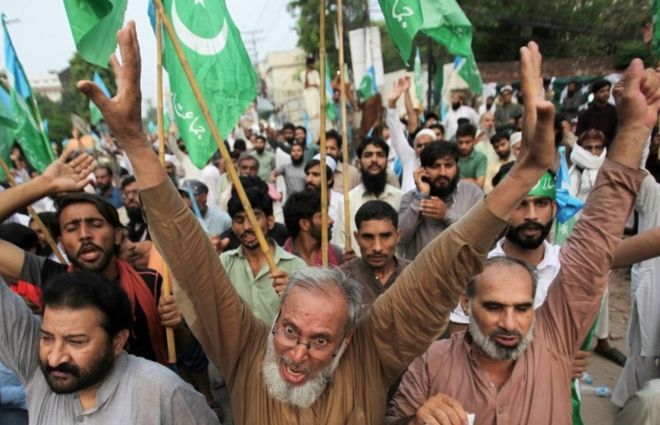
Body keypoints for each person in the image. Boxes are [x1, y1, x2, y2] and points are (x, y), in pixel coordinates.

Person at [79, 23, 558, 424]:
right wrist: (136, 144)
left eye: (320, 340)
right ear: (276, 321)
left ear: (346, 339)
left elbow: (443, 268)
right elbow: (192, 258)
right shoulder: (247, 348)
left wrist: (525, 174)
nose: (297, 354)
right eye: (289, 331)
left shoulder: (370, 354)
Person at [385, 56, 659, 425]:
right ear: (466, 302)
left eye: (523, 308)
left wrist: (631, 133)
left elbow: (595, 244)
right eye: (495, 308)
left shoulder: (553, 341)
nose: (510, 324)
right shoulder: (431, 365)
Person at [0, 153, 172, 364]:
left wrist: (176, 323)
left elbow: (175, 349)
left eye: (95, 224)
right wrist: (45, 184)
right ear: (61, 242)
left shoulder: (150, 282)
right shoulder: (53, 279)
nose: (84, 234)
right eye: (72, 228)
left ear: (117, 234)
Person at [0, 270, 218, 424]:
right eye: (47, 338)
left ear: (117, 341)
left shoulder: (163, 393)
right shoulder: (38, 371)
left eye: (76, 342)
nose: (54, 358)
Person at [220, 177, 306, 323]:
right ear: (233, 227)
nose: (247, 226)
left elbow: (308, 316)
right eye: (239, 220)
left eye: (254, 218)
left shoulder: (296, 267)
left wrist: (294, 295)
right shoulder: (224, 262)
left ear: (270, 221)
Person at [398, 141, 483, 260]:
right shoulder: (411, 198)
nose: (442, 173)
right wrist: (421, 197)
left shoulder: (473, 194)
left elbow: (481, 235)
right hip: (420, 275)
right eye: (435, 166)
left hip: (463, 276)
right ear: (422, 170)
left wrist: (446, 215)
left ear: (457, 166)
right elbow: (400, 237)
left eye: (448, 166)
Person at [333, 138, 403, 252]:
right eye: (368, 155)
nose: (374, 160)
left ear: (386, 160)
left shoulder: (401, 198)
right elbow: (339, 244)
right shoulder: (347, 201)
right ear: (359, 161)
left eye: (380, 155)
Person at [341, 200, 410, 314]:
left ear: (398, 236)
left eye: (385, 236)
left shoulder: (416, 275)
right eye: (368, 237)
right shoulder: (341, 280)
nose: (377, 248)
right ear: (357, 238)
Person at [387, 77, 436, 193]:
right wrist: (391, 103)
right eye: (419, 145)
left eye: (427, 144)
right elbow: (396, 131)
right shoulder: (410, 158)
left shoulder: (442, 163)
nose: (423, 148)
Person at [282, 189, 343, 266]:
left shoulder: (337, 256)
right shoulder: (281, 260)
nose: (331, 221)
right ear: (304, 224)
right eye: (322, 216)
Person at [576, 79, 618, 144]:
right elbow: (580, 134)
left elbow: (615, 133)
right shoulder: (586, 111)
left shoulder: (614, 111)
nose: (606, 93)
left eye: (608, 90)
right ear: (595, 94)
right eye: (602, 91)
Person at [456, 123, 488, 188]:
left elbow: (480, 184)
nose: (463, 146)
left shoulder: (480, 158)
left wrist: (456, 181)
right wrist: (471, 180)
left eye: (467, 142)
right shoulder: (451, 156)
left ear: (474, 141)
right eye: (460, 142)